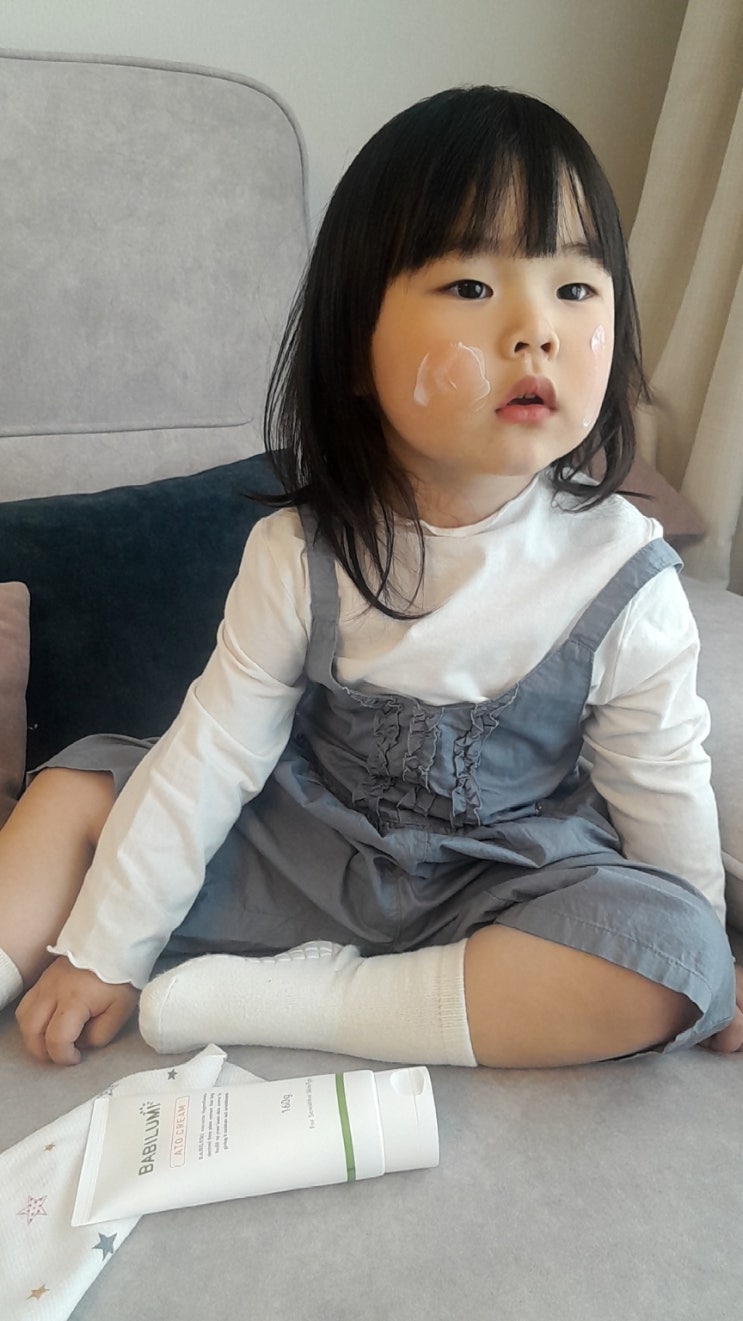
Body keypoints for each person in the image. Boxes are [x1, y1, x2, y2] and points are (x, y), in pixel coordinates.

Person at [2, 86, 741, 1069]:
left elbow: (659, 784)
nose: (537, 330)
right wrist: (105, 949)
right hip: (300, 851)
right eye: (470, 287)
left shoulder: (623, 572)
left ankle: (307, 1000)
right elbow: (213, 752)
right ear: (356, 348)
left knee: (672, 952)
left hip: (501, 883)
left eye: (573, 288)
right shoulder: (298, 550)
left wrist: (698, 952)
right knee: (75, 789)